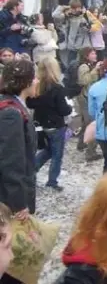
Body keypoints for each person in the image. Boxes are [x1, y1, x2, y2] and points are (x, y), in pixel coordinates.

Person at [26, 57, 72, 192]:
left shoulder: (36, 87)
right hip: (56, 125)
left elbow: (30, 103)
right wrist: (70, 108)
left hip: (41, 123)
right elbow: (64, 110)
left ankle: (32, 169)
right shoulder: (57, 88)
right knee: (57, 154)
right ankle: (52, 181)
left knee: (49, 150)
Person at [0, 60, 38, 220]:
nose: (37, 81)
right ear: (25, 82)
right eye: (34, 77)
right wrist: (19, 203)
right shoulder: (12, 113)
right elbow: (11, 161)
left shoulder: (14, 105)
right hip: (9, 200)